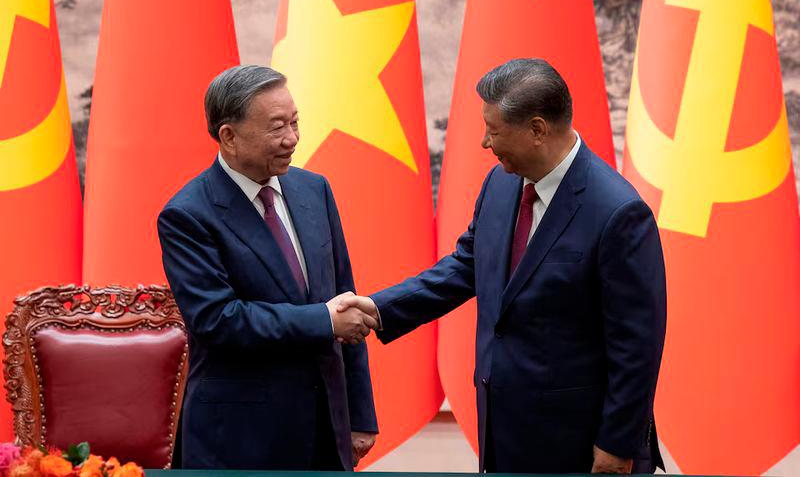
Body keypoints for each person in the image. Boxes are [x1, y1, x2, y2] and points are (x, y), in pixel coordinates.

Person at [339, 58, 667, 474]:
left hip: (581, 446)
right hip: (505, 433)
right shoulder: (502, 182)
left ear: (536, 130)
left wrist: (617, 445)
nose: (484, 143)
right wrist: (379, 308)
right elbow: (465, 267)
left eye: (493, 130)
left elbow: (637, 347)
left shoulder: (618, 213)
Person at [157, 65, 378, 470]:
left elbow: (347, 300)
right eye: (277, 127)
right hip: (240, 437)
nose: (292, 138)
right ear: (229, 136)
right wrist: (322, 320)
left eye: (295, 122)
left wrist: (359, 415)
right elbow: (219, 320)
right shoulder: (188, 214)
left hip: (324, 430)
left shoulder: (315, 190)